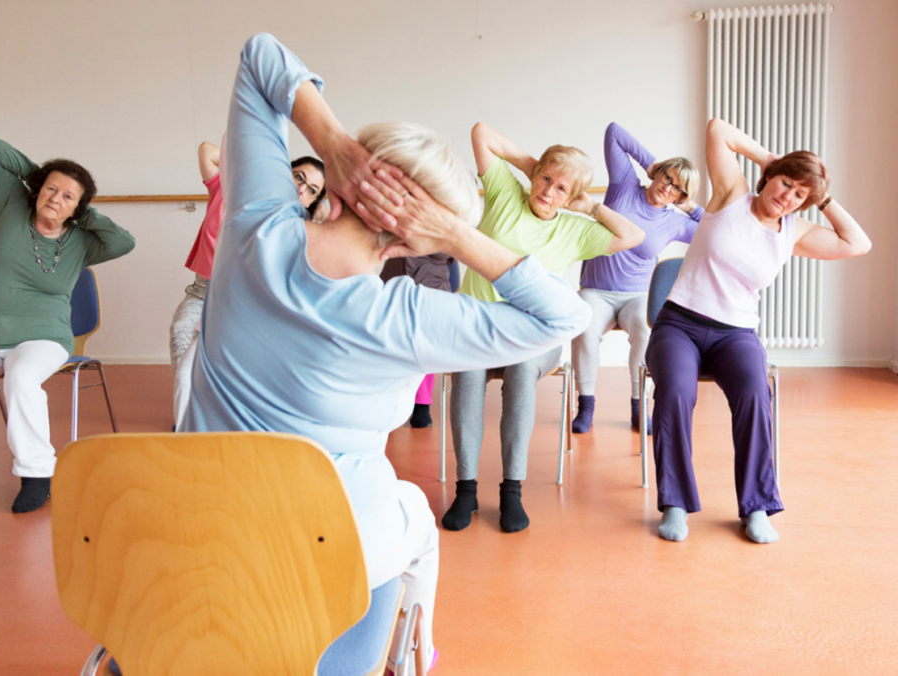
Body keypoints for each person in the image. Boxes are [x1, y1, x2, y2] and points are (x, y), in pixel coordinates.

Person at [181, 33, 590, 668]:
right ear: (409, 240)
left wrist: (333, 147)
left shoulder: (252, 229)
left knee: (407, 519)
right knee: (413, 523)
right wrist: (456, 235)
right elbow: (564, 315)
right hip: (318, 574)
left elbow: (260, 55)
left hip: (188, 557)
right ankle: (419, 657)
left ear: (338, 182)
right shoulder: (406, 318)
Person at [646, 118, 871, 544]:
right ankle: (675, 503)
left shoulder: (794, 232)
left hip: (736, 335)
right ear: (771, 177)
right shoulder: (732, 193)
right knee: (675, 391)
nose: (788, 198)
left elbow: (857, 243)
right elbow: (717, 130)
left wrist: (822, 198)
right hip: (680, 323)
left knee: (754, 394)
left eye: (800, 195)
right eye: (786, 184)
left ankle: (757, 507)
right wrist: (772, 159)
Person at [442, 123, 645, 534]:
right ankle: (466, 488)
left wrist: (589, 207)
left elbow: (634, 235)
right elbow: (481, 132)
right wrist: (535, 166)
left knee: (520, 372)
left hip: (534, 335)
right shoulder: (504, 193)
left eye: (560, 190)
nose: (548, 192)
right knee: (467, 374)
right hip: (478, 326)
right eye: (546, 181)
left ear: (572, 198)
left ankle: (511, 490)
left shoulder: (575, 229)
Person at [0, 135, 135, 516]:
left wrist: (81, 212)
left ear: (79, 208)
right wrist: (44, 181)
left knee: (21, 378)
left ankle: (37, 477)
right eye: (50, 189)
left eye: (68, 196)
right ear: (36, 189)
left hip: (44, 337)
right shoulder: (10, 205)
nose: (56, 198)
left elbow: (125, 242)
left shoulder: (83, 241)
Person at [169, 144, 327, 426]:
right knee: (182, 341)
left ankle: (220, 415)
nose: (302, 188)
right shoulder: (233, 188)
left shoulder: (298, 225)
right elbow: (208, 150)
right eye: (299, 177)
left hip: (246, 304)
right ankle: (191, 417)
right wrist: (262, 165)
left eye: (312, 190)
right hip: (202, 292)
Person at [571, 122, 703, 435]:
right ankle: (586, 405)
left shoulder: (674, 223)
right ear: (657, 174)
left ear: (681, 196)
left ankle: (637, 406)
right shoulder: (624, 186)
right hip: (596, 291)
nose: (667, 187)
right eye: (666, 177)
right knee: (584, 326)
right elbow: (614, 132)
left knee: (646, 332)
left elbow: (714, 231)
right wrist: (650, 164)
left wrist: (691, 208)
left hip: (636, 297)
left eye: (677, 188)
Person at [379, 253, 454, 428]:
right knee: (396, 343)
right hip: (398, 279)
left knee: (424, 342)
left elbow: (446, 252)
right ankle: (399, 399)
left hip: (428, 285)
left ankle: (420, 403)